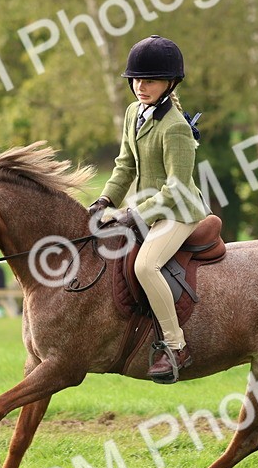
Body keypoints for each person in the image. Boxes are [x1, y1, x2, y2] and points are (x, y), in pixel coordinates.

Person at [87, 35, 209, 383]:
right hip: (144, 207)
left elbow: (178, 188)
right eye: (137, 80)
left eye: (150, 80)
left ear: (169, 83)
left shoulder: (176, 129)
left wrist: (134, 214)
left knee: (145, 265)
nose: (141, 86)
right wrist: (106, 200)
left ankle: (175, 345)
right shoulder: (132, 113)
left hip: (179, 212)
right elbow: (125, 165)